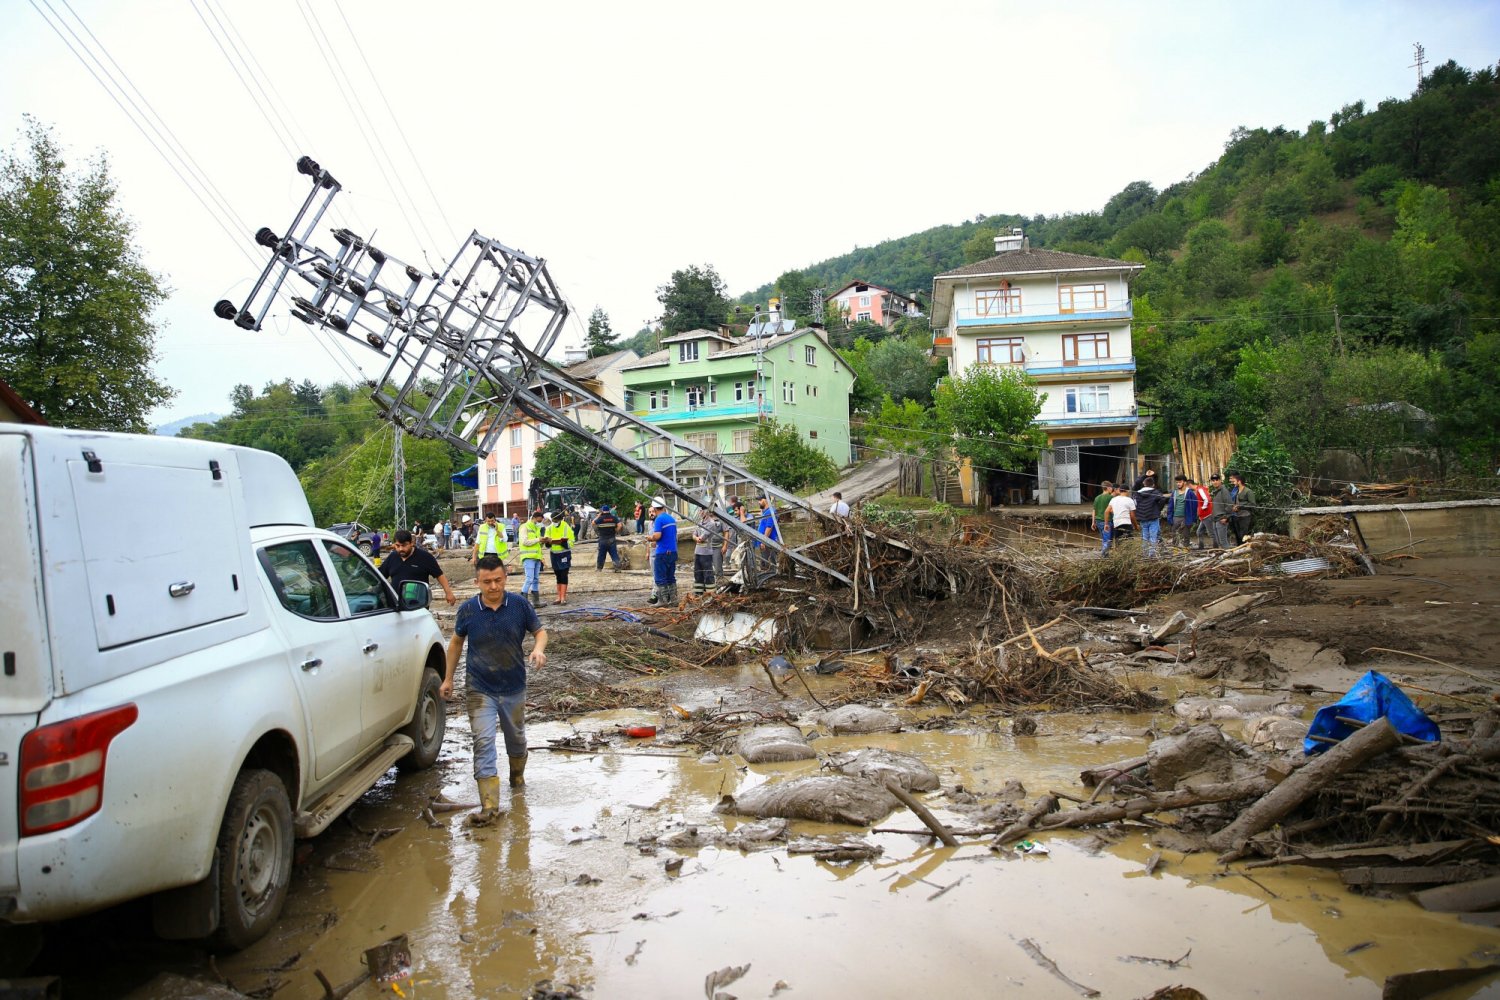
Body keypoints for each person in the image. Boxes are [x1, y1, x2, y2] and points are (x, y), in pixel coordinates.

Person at [442, 555, 548, 825]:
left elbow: (540, 632)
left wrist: (538, 649)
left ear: (505, 578)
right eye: (487, 582)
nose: (493, 587)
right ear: (477, 582)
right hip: (479, 689)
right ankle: (489, 807)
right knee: (483, 742)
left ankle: (517, 778)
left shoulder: (519, 605)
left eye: (498, 580)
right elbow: (455, 644)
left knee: (516, 738)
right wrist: (447, 679)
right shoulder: (468, 610)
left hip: (513, 686)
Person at [380, 529, 457, 605]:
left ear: (412, 543)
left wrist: (448, 593)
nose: (401, 549)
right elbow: (380, 575)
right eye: (397, 545)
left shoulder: (425, 557)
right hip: (396, 604)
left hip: (417, 604)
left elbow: (439, 575)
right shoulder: (392, 557)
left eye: (404, 545)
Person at [646, 496, 678, 605]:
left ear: (655, 508)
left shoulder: (659, 519)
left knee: (660, 577)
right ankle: (674, 600)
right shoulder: (671, 519)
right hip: (672, 551)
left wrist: (650, 538)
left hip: (662, 552)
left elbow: (657, 535)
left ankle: (662, 601)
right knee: (670, 577)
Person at [543, 510, 575, 605]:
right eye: (553, 521)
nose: (555, 522)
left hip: (564, 554)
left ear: (560, 519)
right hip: (554, 555)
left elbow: (572, 541)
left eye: (556, 520)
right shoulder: (549, 528)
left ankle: (563, 597)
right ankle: (558, 597)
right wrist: (548, 543)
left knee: (564, 575)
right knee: (558, 575)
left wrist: (565, 543)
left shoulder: (566, 527)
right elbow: (546, 540)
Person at [1131, 473, 1167, 558]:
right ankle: (1152, 554)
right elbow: (1163, 499)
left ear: (1144, 484)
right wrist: (1158, 509)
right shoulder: (1155, 492)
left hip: (1142, 518)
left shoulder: (1137, 493)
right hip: (1153, 517)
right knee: (1153, 536)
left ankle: (1145, 553)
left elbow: (1134, 502)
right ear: (1153, 485)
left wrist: (1139, 510)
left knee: (1145, 536)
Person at [517, 509, 546, 606]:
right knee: (529, 578)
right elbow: (525, 542)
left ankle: (536, 602)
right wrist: (538, 539)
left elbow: (537, 544)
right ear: (534, 518)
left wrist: (542, 541)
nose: (539, 523)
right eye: (538, 521)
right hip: (528, 557)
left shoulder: (536, 528)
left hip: (537, 557)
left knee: (536, 579)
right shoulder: (524, 527)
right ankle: (523, 602)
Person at [1165, 475, 1202, 551]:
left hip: (1186, 517)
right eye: (1177, 482)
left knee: (1186, 535)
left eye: (1180, 482)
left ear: (1185, 482)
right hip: (1176, 517)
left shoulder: (1190, 493)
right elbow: (1170, 506)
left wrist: (1193, 518)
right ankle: (1175, 550)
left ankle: (1185, 550)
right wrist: (1169, 517)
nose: (1178, 484)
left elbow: (1195, 506)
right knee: (1175, 534)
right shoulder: (1174, 493)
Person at [692, 512, 722, 596]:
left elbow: (702, 537)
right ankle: (698, 592)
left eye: (702, 510)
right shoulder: (700, 522)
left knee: (708, 573)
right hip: (698, 551)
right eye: (700, 510)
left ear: (707, 511)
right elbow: (694, 535)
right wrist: (697, 538)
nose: (700, 512)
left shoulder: (711, 523)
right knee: (697, 572)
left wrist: (697, 538)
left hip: (706, 552)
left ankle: (710, 593)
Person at [1227, 472, 1256, 544]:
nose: (1233, 483)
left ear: (1239, 481)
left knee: (1243, 535)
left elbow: (1253, 504)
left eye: (1234, 481)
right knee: (1237, 535)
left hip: (1245, 516)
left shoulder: (1248, 491)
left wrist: (1240, 506)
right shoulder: (1236, 491)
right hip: (1237, 516)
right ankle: (1239, 548)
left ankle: (1245, 548)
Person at [593, 502, 623, 571]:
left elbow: (593, 523)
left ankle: (599, 568)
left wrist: (598, 515)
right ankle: (618, 568)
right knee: (614, 554)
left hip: (602, 539)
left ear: (602, 511)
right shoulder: (613, 517)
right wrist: (616, 530)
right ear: (609, 510)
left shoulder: (600, 518)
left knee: (601, 555)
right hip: (612, 538)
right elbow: (620, 525)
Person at [756, 495, 780, 573]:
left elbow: (769, 527)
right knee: (765, 564)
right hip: (764, 542)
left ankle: (772, 576)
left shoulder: (771, 511)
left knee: (770, 564)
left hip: (769, 542)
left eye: (760, 500)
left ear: (765, 500)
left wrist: (764, 541)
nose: (758, 502)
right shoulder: (766, 512)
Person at [1209, 474, 1233, 548]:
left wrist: (1226, 517)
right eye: (1213, 480)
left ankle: (1228, 553)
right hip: (1215, 519)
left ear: (1220, 480)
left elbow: (1229, 504)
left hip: (1221, 518)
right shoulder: (1215, 492)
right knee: (1218, 542)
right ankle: (1223, 553)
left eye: (1217, 480)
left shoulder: (1224, 491)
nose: (1215, 482)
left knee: (1223, 541)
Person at [1091, 480, 1114, 555]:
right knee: (1107, 540)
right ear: (1108, 488)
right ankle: (1104, 556)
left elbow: (1094, 510)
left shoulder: (1097, 498)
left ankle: (1105, 554)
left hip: (1098, 521)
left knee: (1104, 539)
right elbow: (1112, 510)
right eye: (1111, 488)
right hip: (1107, 522)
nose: (1112, 489)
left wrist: (1093, 522)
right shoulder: (1111, 497)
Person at [1191, 478, 1214, 550]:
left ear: (1189, 485)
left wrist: (1203, 507)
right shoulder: (1198, 490)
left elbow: (1206, 499)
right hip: (1203, 516)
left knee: (1211, 533)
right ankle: (1201, 547)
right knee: (1199, 532)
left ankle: (1216, 548)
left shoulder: (1200, 489)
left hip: (1207, 515)